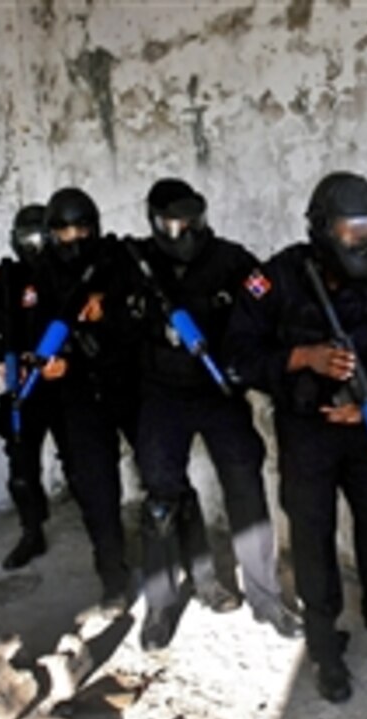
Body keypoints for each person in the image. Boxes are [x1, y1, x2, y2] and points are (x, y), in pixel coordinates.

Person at [226, 171, 367, 704]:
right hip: (306, 432)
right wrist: (301, 358)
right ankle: (323, 644)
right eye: (350, 230)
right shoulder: (278, 279)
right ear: (321, 229)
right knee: (312, 537)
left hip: (365, 429)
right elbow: (238, 356)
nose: (363, 241)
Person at [123, 178, 301, 651]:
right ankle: (163, 604)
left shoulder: (232, 260)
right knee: (162, 498)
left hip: (220, 392)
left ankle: (266, 599)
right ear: (155, 222)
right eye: (171, 223)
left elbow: (268, 318)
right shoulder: (135, 264)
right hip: (161, 394)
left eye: (191, 220)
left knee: (245, 486)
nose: (182, 232)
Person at [31, 187, 139, 610]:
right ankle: (113, 579)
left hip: (128, 384)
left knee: (163, 477)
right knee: (97, 491)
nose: (74, 237)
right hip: (79, 395)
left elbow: (140, 315)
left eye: (82, 228)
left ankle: (183, 562)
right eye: (63, 230)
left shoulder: (117, 260)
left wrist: (108, 306)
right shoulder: (42, 274)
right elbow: (38, 333)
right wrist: (50, 364)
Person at [0, 204, 72, 570]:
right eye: (26, 237)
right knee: (21, 469)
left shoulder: (63, 273)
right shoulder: (9, 278)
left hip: (60, 381)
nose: (32, 245)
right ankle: (32, 531)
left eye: (39, 236)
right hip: (23, 386)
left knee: (79, 463)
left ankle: (97, 529)